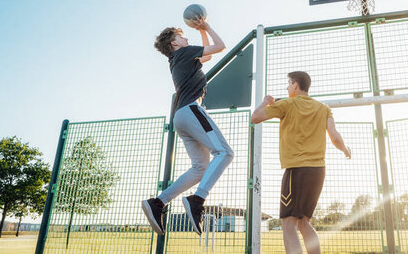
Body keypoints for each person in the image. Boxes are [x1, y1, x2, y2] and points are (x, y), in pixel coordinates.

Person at [142, 17, 234, 236]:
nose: (185, 38)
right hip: (191, 110)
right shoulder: (183, 53)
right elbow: (220, 46)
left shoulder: (178, 58)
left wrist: (201, 31)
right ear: (174, 43)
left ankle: (158, 203)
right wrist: (209, 27)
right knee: (225, 152)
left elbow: (208, 55)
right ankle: (197, 199)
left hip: (181, 117)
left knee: (200, 168)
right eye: (181, 36)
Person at [251, 71, 351, 254]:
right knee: (304, 222)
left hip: (297, 170)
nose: (287, 87)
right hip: (318, 170)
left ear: (296, 85)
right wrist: (345, 149)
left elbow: (255, 117)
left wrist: (266, 101)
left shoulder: (287, 104)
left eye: (288, 84)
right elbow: (334, 136)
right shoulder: (323, 108)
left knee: (289, 225)